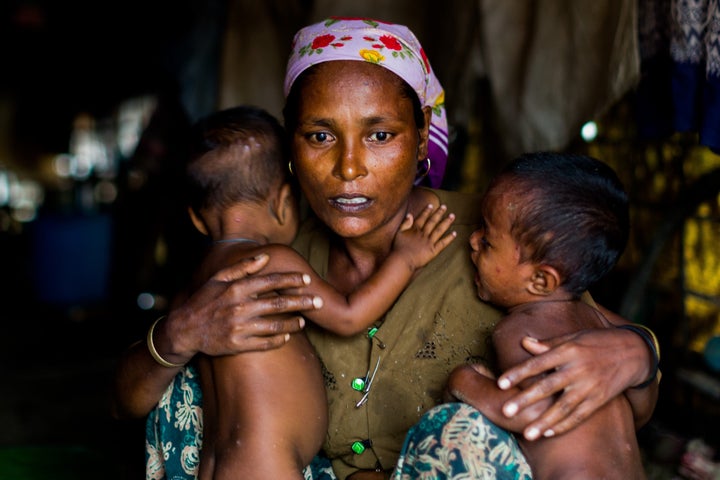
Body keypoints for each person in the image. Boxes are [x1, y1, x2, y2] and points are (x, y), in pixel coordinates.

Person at [112, 17, 660, 480]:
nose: (348, 169)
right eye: (320, 136)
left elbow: (607, 379)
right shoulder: (269, 258)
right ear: (291, 149)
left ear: (421, 137)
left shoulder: (495, 239)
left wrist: (637, 355)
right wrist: (180, 333)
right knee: (191, 367)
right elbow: (126, 401)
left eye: (380, 135)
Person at [178, 104, 456, 479]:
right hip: (264, 465)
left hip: (216, 464)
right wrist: (405, 258)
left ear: (196, 218)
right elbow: (347, 316)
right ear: (283, 202)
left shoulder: (195, 287)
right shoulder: (270, 261)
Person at [439, 152, 649, 479]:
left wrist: (463, 381)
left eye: (488, 239)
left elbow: (532, 410)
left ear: (541, 280)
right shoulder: (601, 324)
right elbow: (637, 409)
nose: (473, 239)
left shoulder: (523, 329)